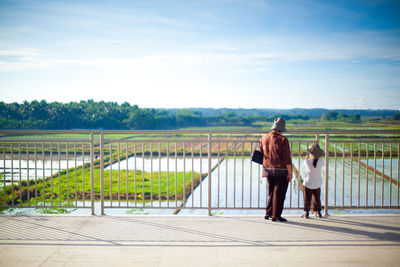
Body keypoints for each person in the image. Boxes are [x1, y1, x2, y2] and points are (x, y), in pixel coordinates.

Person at [260, 118, 292, 222]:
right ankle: (276, 215)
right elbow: (287, 158)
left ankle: (268, 213)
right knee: (279, 193)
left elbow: (261, 153)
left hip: (268, 169)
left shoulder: (264, 138)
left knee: (271, 191)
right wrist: (290, 173)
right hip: (281, 170)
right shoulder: (283, 140)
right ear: (281, 129)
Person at [301, 143, 324, 219]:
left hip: (308, 183)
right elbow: (318, 161)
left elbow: (306, 163)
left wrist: (306, 158)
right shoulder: (321, 161)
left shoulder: (307, 162)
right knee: (317, 198)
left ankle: (306, 213)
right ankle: (319, 212)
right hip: (317, 184)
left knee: (307, 198)